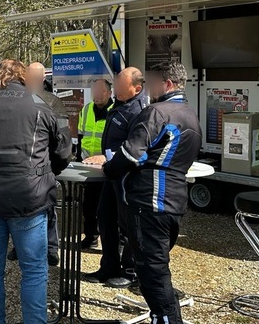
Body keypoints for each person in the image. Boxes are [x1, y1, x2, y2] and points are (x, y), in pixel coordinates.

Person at [0, 59, 72, 324]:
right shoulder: (38, 102)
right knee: (34, 270)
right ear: (23, 76)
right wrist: (49, 171)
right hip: (29, 196)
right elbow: (63, 150)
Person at [104, 62, 201, 324]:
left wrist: (109, 168)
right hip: (174, 201)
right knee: (156, 267)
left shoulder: (156, 113)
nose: (150, 89)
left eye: (152, 83)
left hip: (149, 202)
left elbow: (130, 154)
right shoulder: (191, 114)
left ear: (167, 84)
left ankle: (167, 319)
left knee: (152, 272)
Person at [83, 67, 148, 288]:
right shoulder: (118, 105)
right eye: (117, 82)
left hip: (127, 176)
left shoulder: (139, 111)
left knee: (128, 224)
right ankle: (108, 267)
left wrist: (107, 156)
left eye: (122, 84)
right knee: (105, 217)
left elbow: (137, 146)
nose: (117, 87)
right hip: (111, 174)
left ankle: (130, 271)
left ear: (136, 88)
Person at [6, 62, 68, 266]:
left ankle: (51, 248)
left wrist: (54, 166)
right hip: (20, 166)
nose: (31, 81)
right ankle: (18, 246)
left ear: (42, 79)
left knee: (48, 208)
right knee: (19, 209)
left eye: (35, 77)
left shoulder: (53, 102)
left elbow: (62, 138)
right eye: (28, 77)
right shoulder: (16, 101)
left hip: (46, 163)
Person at [77, 79, 114, 249]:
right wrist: (78, 160)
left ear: (109, 93)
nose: (97, 95)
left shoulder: (116, 112)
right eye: (95, 92)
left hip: (109, 167)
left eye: (101, 92)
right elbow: (80, 136)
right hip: (88, 167)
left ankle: (112, 244)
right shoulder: (85, 110)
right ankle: (91, 237)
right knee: (89, 206)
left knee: (108, 209)